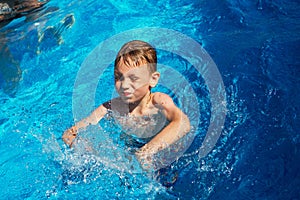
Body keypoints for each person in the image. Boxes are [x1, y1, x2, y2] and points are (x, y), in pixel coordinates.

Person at [62, 40, 191, 169]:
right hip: (134, 150)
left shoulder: (158, 102)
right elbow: (72, 132)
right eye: (118, 77)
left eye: (133, 79)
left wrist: (147, 151)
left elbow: (183, 123)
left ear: (153, 79)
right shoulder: (111, 107)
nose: (124, 85)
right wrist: (86, 150)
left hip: (163, 151)